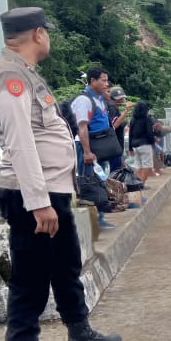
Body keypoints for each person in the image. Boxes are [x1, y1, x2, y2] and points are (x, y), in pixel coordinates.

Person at [0, 7, 122, 341]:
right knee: (30, 280)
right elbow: (20, 141)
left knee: (65, 266)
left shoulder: (25, 74)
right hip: (32, 195)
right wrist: (38, 202)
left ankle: (79, 334)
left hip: (50, 192)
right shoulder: (9, 77)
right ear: (38, 33)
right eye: (48, 33)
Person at [72, 66, 115, 229]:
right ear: (92, 81)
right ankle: (93, 222)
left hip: (97, 146)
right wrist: (87, 151)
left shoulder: (98, 98)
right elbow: (82, 127)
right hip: (87, 147)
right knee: (89, 182)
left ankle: (99, 218)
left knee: (99, 181)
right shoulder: (84, 100)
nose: (106, 83)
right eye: (103, 80)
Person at [128, 100, 156, 186]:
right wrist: (153, 142)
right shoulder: (147, 119)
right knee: (147, 165)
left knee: (138, 165)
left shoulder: (133, 119)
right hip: (145, 144)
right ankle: (141, 183)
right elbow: (149, 133)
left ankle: (138, 183)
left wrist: (130, 147)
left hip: (135, 145)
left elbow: (130, 133)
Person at [107, 86, 131, 172]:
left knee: (119, 167)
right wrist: (126, 111)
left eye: (122, 98)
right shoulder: (112, 108)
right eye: (119, 98)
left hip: (117, 144)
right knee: (115, 170)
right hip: (114, 144)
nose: (122, 100)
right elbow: (114, 126)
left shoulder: (114, 107)